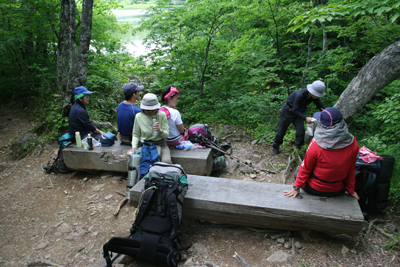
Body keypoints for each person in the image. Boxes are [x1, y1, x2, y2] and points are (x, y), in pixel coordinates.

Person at [283, 107, 360, 199]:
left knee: (297, 174)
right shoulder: (352, 142)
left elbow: (305, 168)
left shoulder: (316, 144)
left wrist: (296, 188)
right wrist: (351, 190)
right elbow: (351, 169)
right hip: (338, 189)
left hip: (315, 189)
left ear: (323, 125)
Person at [271, 80, 326, 155]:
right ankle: (275, 147)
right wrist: (305, 118)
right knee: (281, 130)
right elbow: (294, 110)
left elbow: (320, 105)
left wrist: (327, 112)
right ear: (313, 92)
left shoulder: (313, 97)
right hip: (287, 111)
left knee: (301, 131)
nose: (318, 96)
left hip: (298, 113)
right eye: (318, 94)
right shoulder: (300, 94)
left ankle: (298, 149)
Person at [126, 93, 172, 163]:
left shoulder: (162, 115)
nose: (150, 112)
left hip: (160, 143)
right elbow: (136, 134)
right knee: (137, 162)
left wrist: (160, 130)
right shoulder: (139, 116)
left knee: (166, 161)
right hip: (144, 143)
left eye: (152, 109)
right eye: (147, 110)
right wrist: (134, 147)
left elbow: (166, 135)